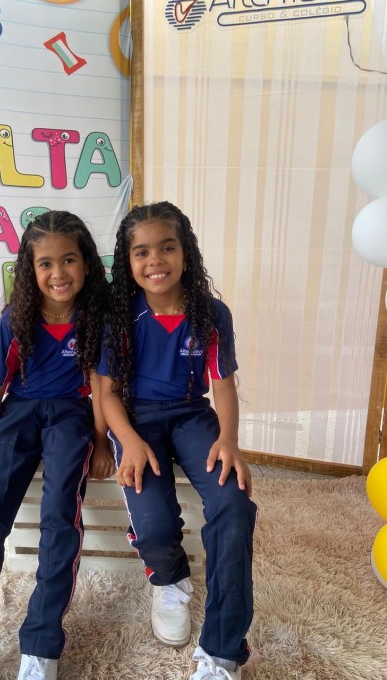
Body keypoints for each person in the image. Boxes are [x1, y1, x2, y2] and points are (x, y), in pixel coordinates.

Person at [0, 210, 115, 680]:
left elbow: (100, 386)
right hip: (19, 414)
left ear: (87, 263)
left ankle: (40, 647)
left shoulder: (95, 319)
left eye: (69, 260)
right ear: (30, 270)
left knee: (60, 518)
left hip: (71, 417)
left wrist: (100, 442)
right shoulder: (17, 320)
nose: (59, 273)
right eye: (46, 264)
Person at [98, 201, 257, 680]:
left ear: (186, 252)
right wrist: (128, 440)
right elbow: (106, 392)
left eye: (167, 247)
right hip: (135, 418)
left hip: (191, 414)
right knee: (153, 520)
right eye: (142, 252)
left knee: (233, 502)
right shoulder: (119, 315)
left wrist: (228, 439)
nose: (155, 261)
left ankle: (222, 652)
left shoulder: (211, 313)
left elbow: (222, 384)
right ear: (128, 261)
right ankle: (169, 580)